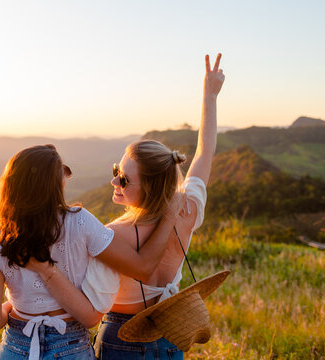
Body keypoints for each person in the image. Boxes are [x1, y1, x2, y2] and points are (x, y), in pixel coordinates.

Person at [27, 54, 225, 359]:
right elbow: (204, 153)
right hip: (172, 329)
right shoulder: (187, 211)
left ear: (148, 187)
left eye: (123, 179)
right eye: (116, 171)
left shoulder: (112, 235)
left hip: (123, 337)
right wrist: (209, 96)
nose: (114, 182)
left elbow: (88, 304)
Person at [0, 144, 183, 360]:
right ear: (56, 184)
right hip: (70, 347)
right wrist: (168, 214)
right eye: (62, 171)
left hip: (16, 347)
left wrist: (12, 307)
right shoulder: (81, 222)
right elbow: (143, 268)